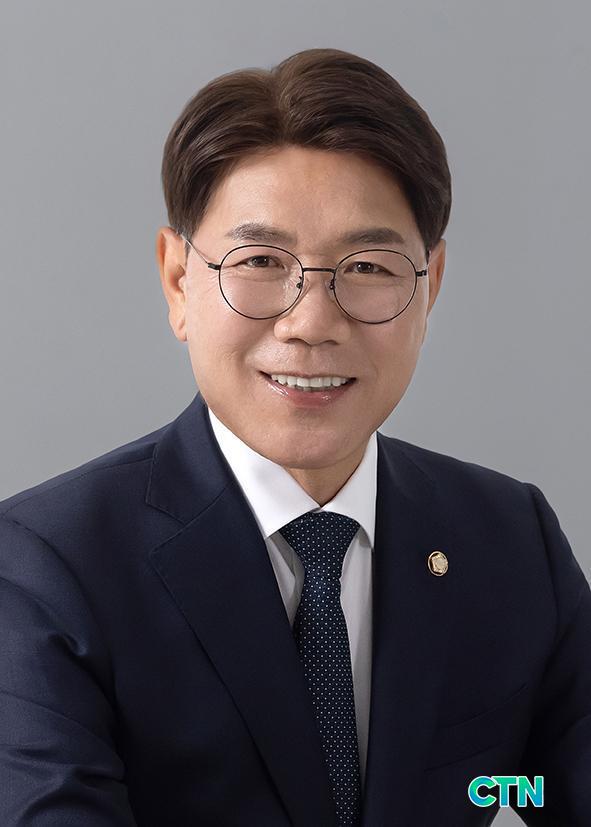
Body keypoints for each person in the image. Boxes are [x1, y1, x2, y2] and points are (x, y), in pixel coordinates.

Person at [0, 47, 589, 827]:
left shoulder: (511, 540)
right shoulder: (45, 566)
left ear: (431, 287)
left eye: (368, 267)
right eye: (260, 260)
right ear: (178, 281)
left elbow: (551, 789)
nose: (311, 322)